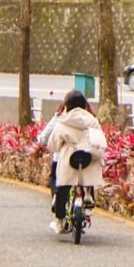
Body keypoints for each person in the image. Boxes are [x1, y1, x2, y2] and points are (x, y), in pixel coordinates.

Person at [39, 90, 107, 233]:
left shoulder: (62, 121)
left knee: (62, 188)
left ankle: (59, 222)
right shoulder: (92, 121)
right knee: (87, 174)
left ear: (67, 106)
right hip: (88, 159)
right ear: (84, 105)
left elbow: (53, 145)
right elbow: (100, 141)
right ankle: (88, 193)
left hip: (68, 161)